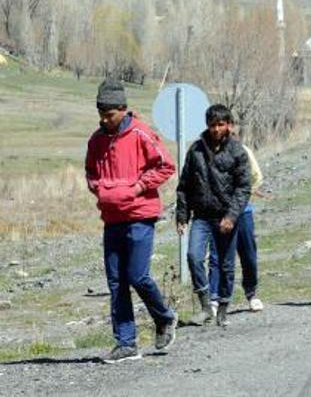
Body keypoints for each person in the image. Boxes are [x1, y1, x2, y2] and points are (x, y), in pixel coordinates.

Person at [85, 79, 178, 363]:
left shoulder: (141, 133)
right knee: (116, 282)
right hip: (112, 218)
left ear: (123, 110)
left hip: (140, 215)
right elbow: (90, 171)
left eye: (109, 114)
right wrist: (101, 189)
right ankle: (126, 342)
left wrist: (136, 188)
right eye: (100, 113)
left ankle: (164, 318)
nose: (104, 119)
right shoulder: (96, 139)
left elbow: (166, 166)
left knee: (137, 275)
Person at [176, 104, 251, 327]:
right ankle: (205, 305)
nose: (216, 129)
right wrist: (182, 216)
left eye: (220, 124)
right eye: (212, 125)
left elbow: (243, 187)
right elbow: (184, 186)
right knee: (193, 256)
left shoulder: (237, 151)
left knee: (226, 265)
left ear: (228, 125)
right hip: (201, 216)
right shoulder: (196, 151)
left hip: (226, 217)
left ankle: (224, 308)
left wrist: (231, 216)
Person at [207, 134, 265, 314]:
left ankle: (252, 293)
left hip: (243, 211)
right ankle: (214, 298)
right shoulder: (207, 154)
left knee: (248, 253)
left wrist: (244, 192)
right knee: (218, 256)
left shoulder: (243, 151)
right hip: (218, 213)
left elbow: (256, 176)